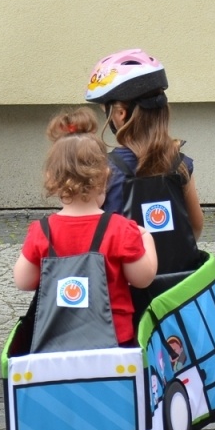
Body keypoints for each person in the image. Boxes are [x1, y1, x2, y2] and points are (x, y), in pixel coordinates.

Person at [13, 108, 157, 430]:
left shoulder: (40, 231)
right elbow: (143, 278)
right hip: (115, 344)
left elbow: (24, 281)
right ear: (103, 181)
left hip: (55, 346)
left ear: (54, 183)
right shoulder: (120, 229)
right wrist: (147, 243)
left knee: (67, 410)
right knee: (113, 415)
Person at [83, 50, 205, 282]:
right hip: (177, 289)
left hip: (126, 292)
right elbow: (195, 227)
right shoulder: (180, 164)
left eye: (104, 110)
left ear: (119, 114)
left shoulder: (104, 169)